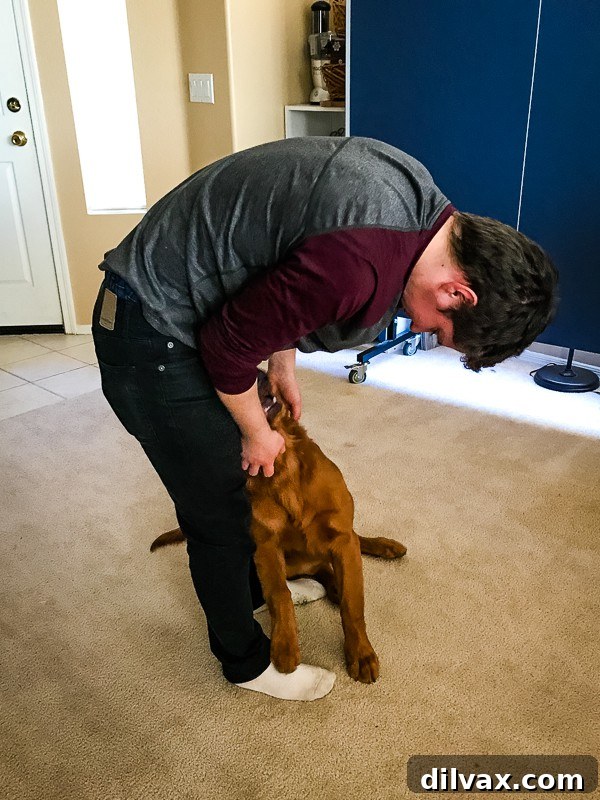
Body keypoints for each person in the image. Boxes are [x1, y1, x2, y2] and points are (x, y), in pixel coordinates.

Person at [91, 136, 558, 701]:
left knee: (240, 496)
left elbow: (283, 251)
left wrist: (280, 351)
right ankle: (246, 663)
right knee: (219, 508)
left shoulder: (419, 202)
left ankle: (254, 592)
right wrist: (258, 432)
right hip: (150, 324)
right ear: (458, 290)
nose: (423, 331)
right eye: (439, 328)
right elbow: (225, 346)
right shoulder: (358, 265)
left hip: (182, 304)